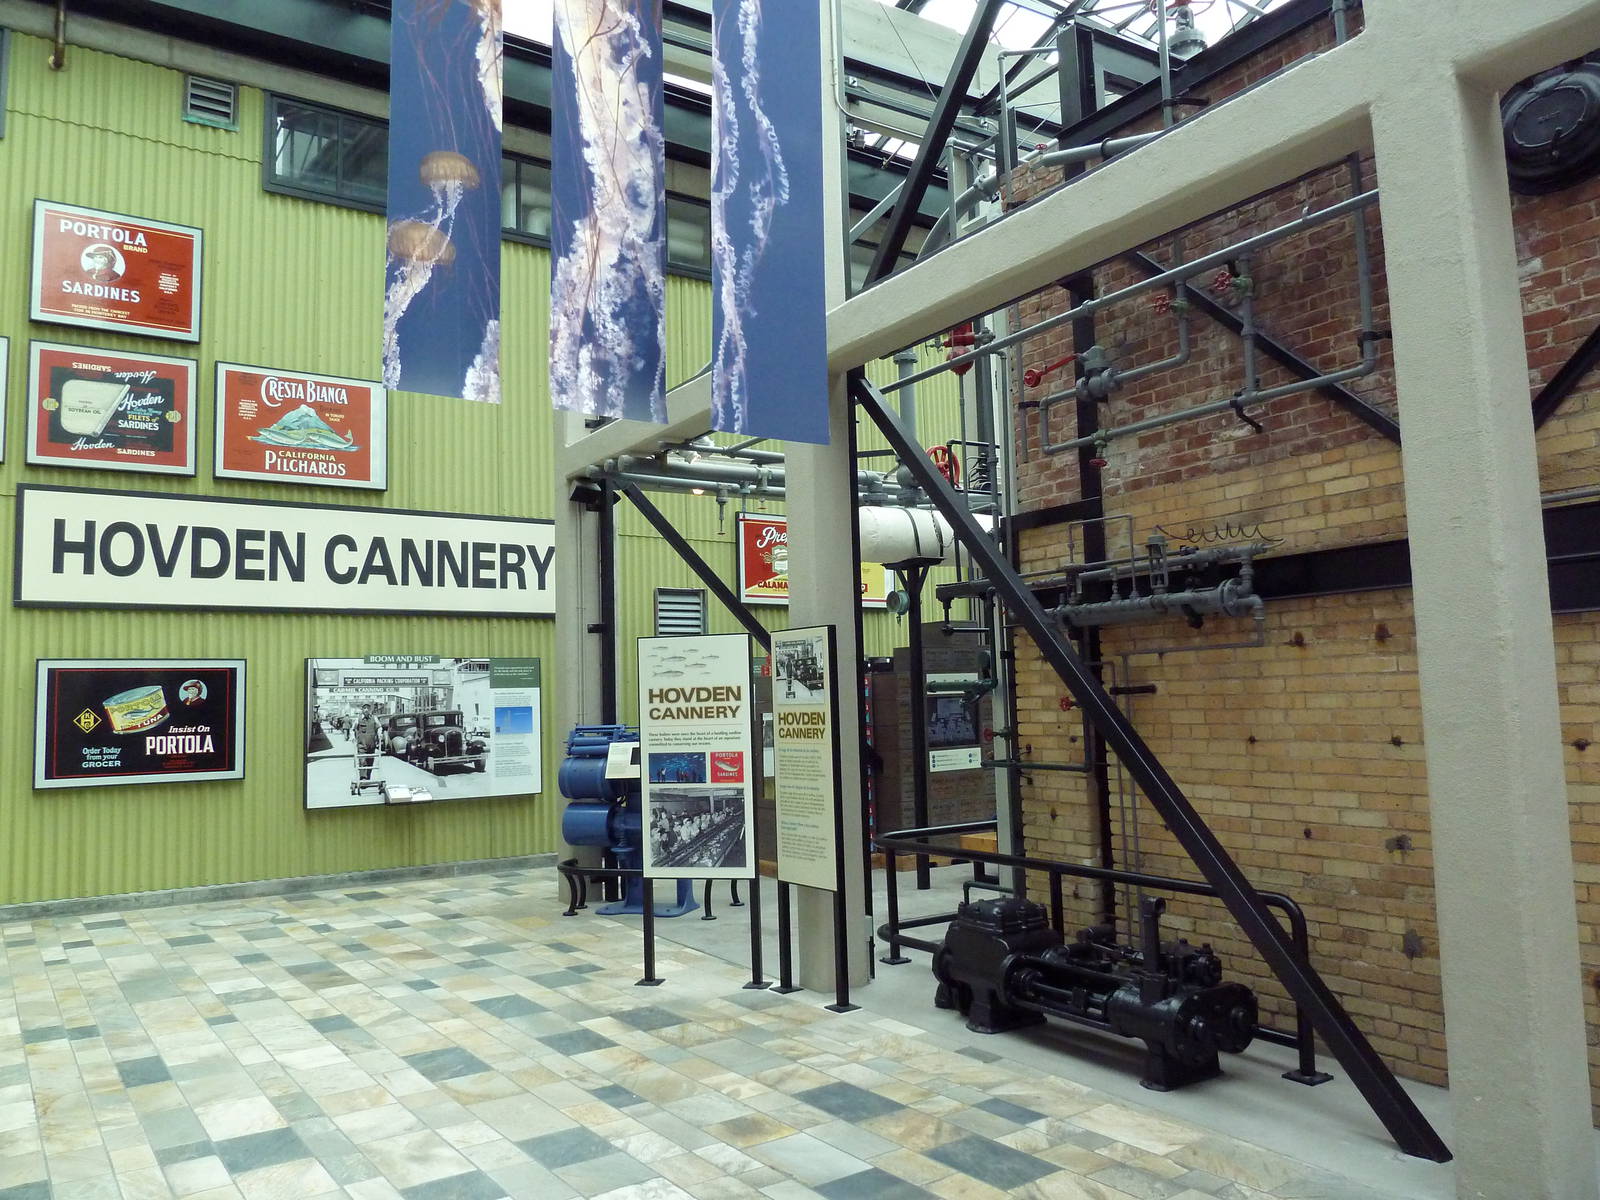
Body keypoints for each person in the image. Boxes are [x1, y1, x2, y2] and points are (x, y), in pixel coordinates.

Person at [353, 704, 380, 781]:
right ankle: (363, 778)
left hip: (372, 745)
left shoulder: (374, 718)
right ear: (362, 709)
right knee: (362, 761)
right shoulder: (358, 719)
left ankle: (367, 777)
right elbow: (353, 729)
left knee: (370, 761)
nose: (366, 709)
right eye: (364, 708)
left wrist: (379, 733)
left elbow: (379, 727)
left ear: (370, 709)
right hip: (361, 745)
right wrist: (352, 737)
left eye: (368, 708)